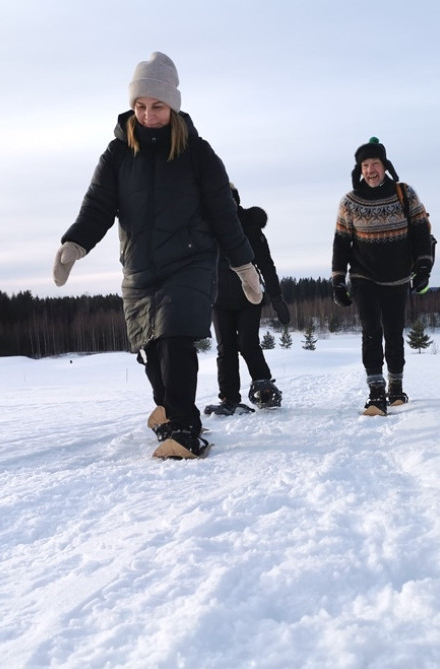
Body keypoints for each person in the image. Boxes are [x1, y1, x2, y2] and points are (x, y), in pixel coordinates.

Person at [53, 52, 263, 458]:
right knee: (151, 349)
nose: (148, 115)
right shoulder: (117, 155)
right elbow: (97, 206)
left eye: (158, 106)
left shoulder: (198, 154)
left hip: (190, 262)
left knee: (173, 339)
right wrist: (74, 244)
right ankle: (167, 411)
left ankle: (185, 430)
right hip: (139, 268)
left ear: (174, 106)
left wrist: (244, 265)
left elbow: (225, 216)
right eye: (140, 106)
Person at [331, 136, 434, 416]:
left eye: (374, 163)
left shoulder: (404, 194)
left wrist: (423, 268)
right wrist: (338, 279)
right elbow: (341, 243)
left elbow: (421, 233)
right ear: (360, 169)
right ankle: (376, 394)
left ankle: (395, 387)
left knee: (393, 332)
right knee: (371, 332)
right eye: (365, 165)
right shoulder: (350, 202)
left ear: (384, 165)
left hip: (398, 278)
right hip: (364, 276)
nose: (370, 170)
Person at [205, 184, 290, 416]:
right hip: (219, 298)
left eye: (229, 199)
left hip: (249, 295)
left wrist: (277, 297)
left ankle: (263, 387)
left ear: (236, 200)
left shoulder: (249, 226)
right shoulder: (207, 228)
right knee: (225, 348)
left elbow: (265, 263)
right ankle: (229, 398)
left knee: (247, 342)